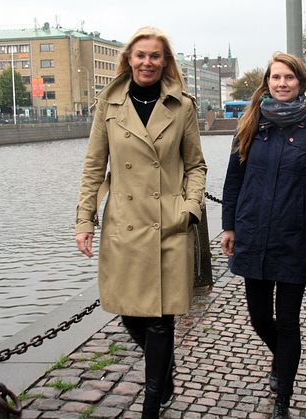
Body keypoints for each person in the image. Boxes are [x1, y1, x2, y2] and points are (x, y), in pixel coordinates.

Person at [75, 26, 207, 419]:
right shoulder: (109, 104)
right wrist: (85, 219)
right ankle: (164, 374)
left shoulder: (182, 105)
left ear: (165, 61)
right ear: (129, 59)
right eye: (141, 55)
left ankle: (152, 404)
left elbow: (196, 164)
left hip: (168, 223)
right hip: (124, 223)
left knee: (161, 319)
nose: (148, 62)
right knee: (129, 312)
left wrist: (188, 208)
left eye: (155, 56)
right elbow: (94, 165)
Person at [220, 52, 306, 419]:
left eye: (289, 78)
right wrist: (229, 225)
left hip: (294, 239)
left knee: (287, 321)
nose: (281, 83)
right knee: (258, 318)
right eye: (275, 77)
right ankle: (283, 357)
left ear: (301, 82)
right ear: (266, 82)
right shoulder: (251, 123)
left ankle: (282, 394)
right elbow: (233, 180)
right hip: (253, 235)